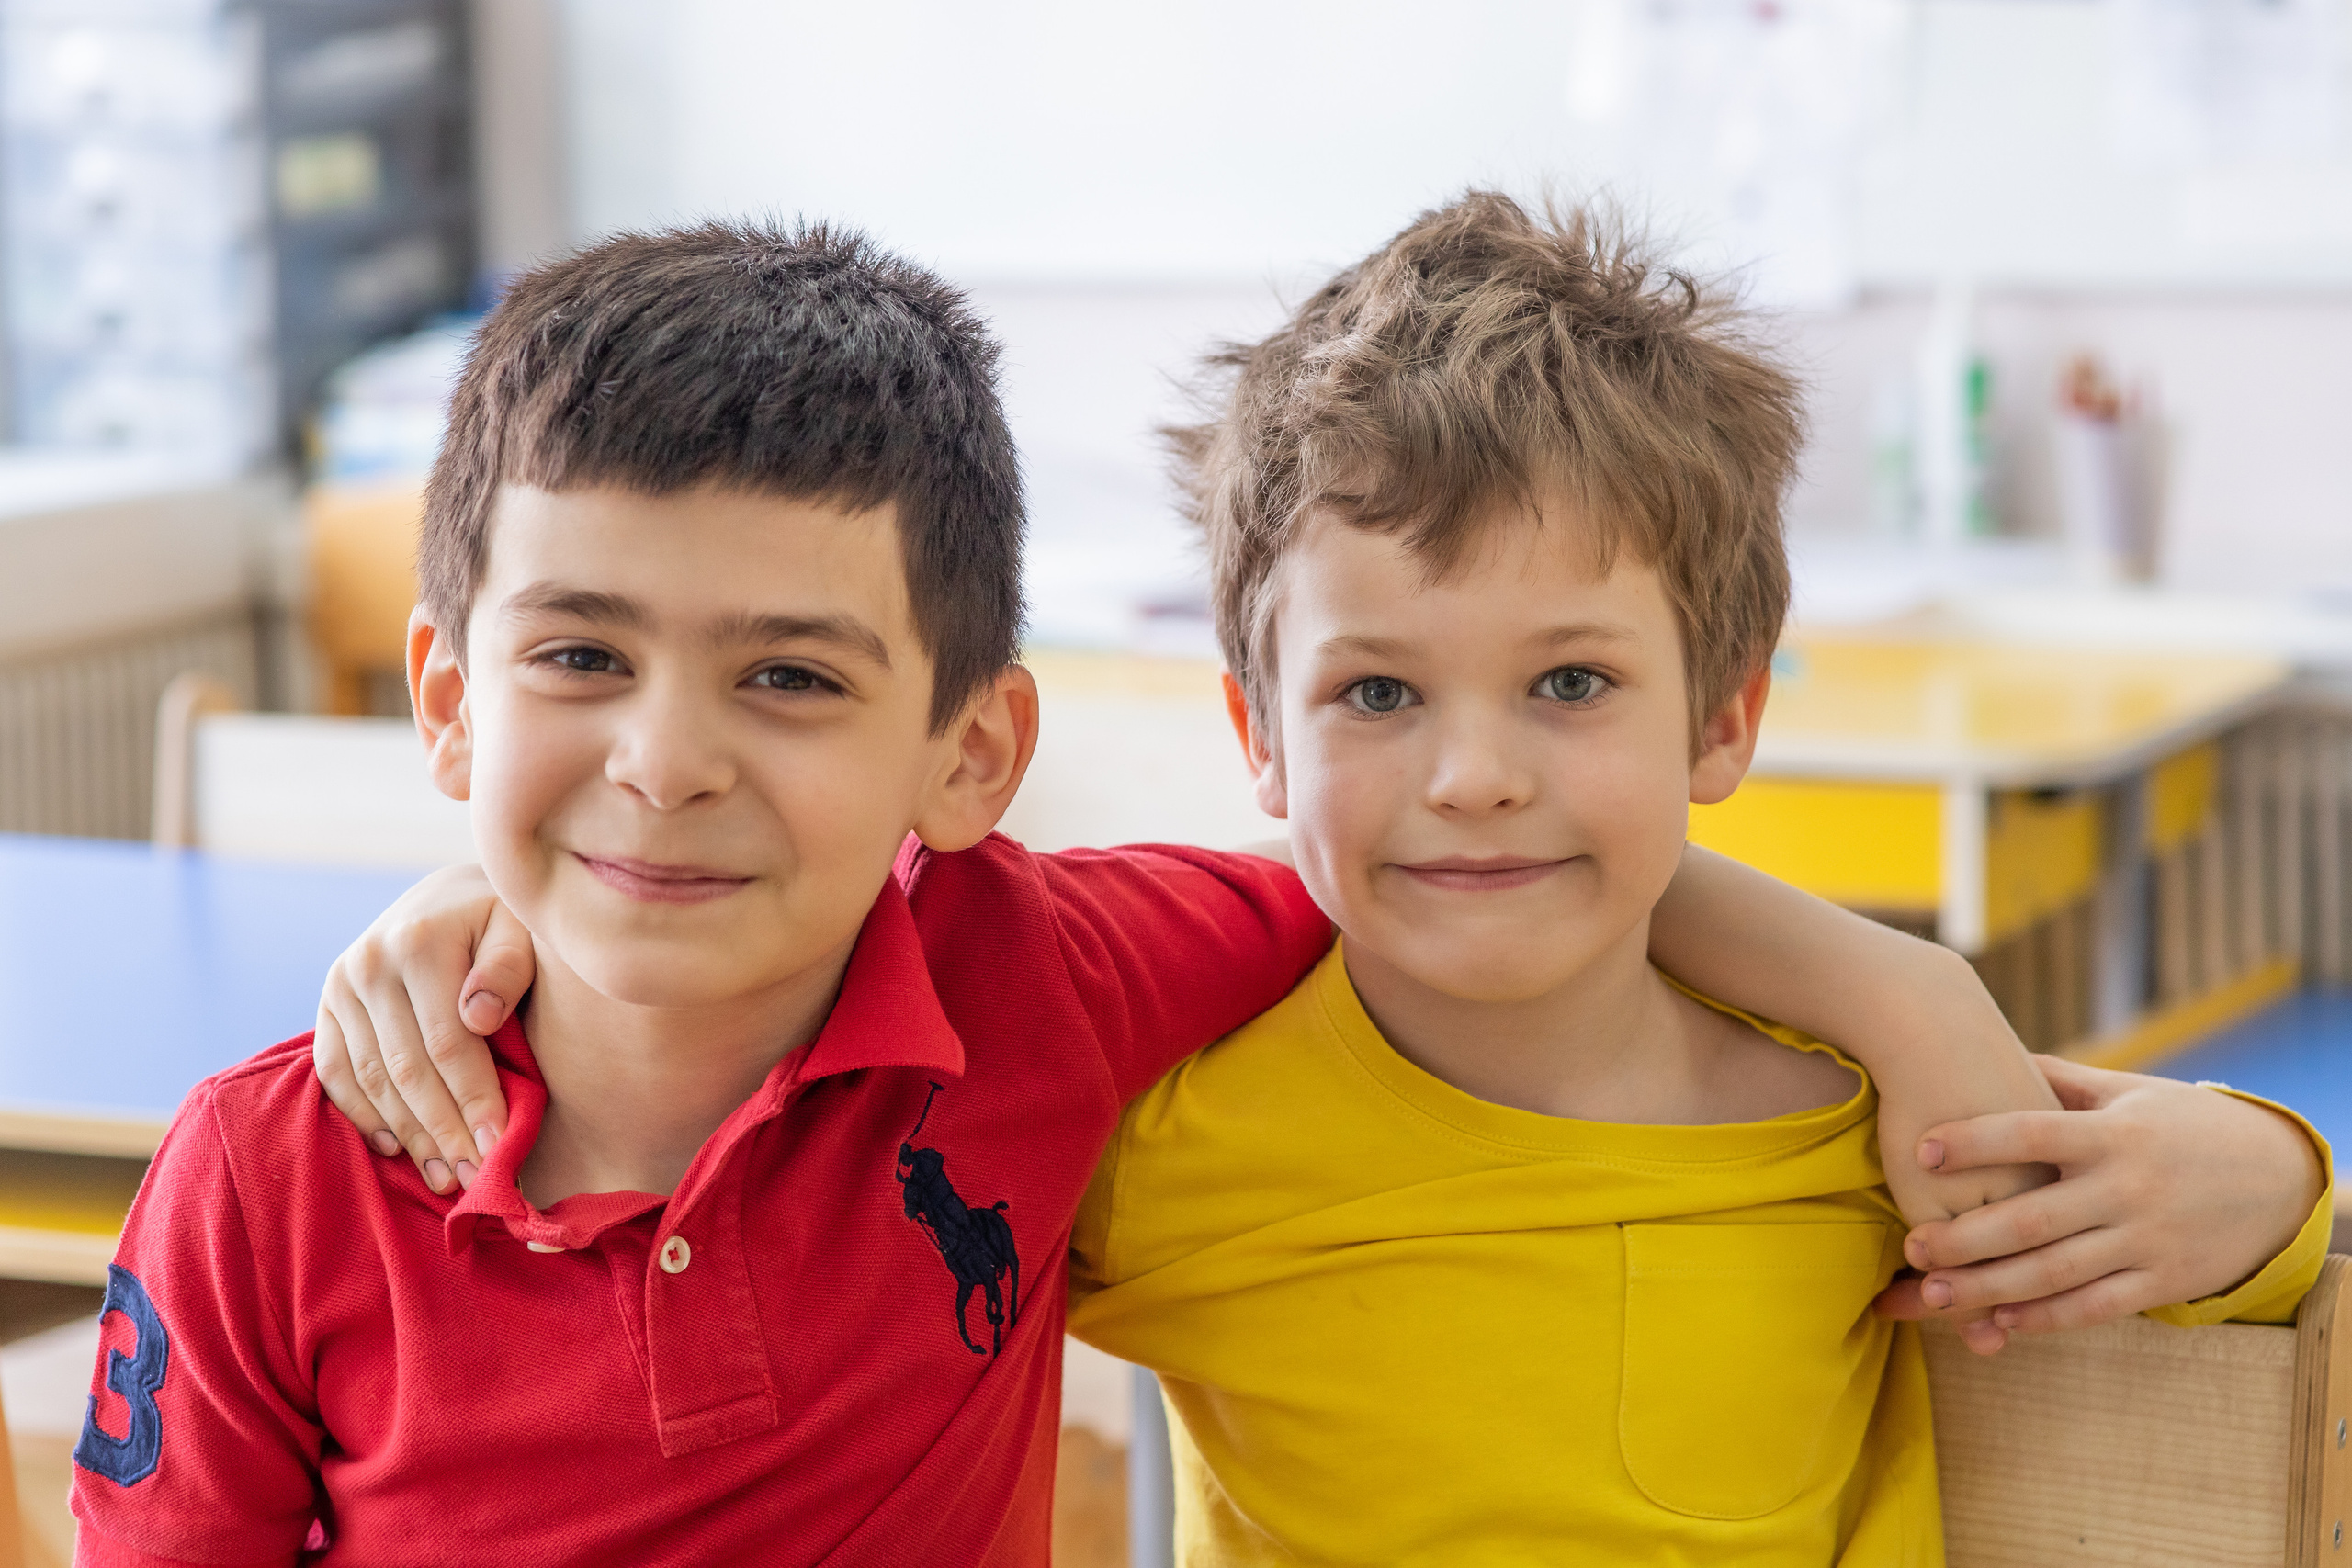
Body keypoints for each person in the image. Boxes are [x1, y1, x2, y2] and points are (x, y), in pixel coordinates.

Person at [105, 217, 2290, 1566]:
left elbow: (1517, 902)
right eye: (581, 656)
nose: (669, 758)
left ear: (972, 754)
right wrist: (464, 902)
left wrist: (2163, 1117)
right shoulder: (271, 1172)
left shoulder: (1049, 1009)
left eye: (787, 674)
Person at [1057, 191, 2333, 1563]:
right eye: (1376, 691)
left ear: (1723, 717)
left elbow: (2242, 1284)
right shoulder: (1152, 1137)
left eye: (1569, 681)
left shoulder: (1881, 1133)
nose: (1472, 775)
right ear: (1262, 741)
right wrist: (1896, 979)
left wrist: (2278, 1177)